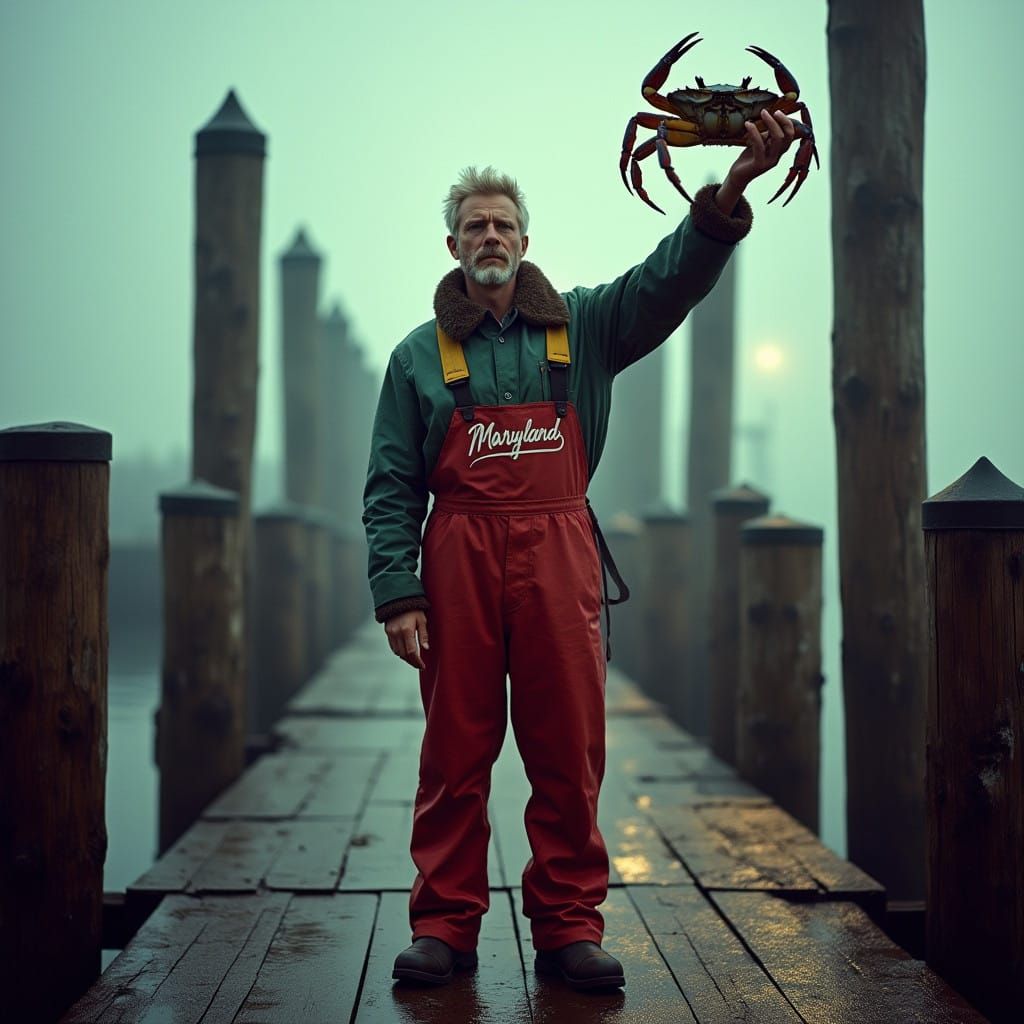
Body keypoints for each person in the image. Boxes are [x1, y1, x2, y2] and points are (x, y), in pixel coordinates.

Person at [363, 109, 796, 990]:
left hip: (560, 557)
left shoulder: (589, 325)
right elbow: (389, 488)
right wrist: (397, 590)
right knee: (455, 753)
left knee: (569, 750)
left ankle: (567, 928)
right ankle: (444, 927)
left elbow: (671, 280)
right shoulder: (416, 357)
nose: (491, 236)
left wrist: (736, 187)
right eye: (475, 225)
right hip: (457, 564)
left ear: (527, 241)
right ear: (452, 245)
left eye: (505, 225)